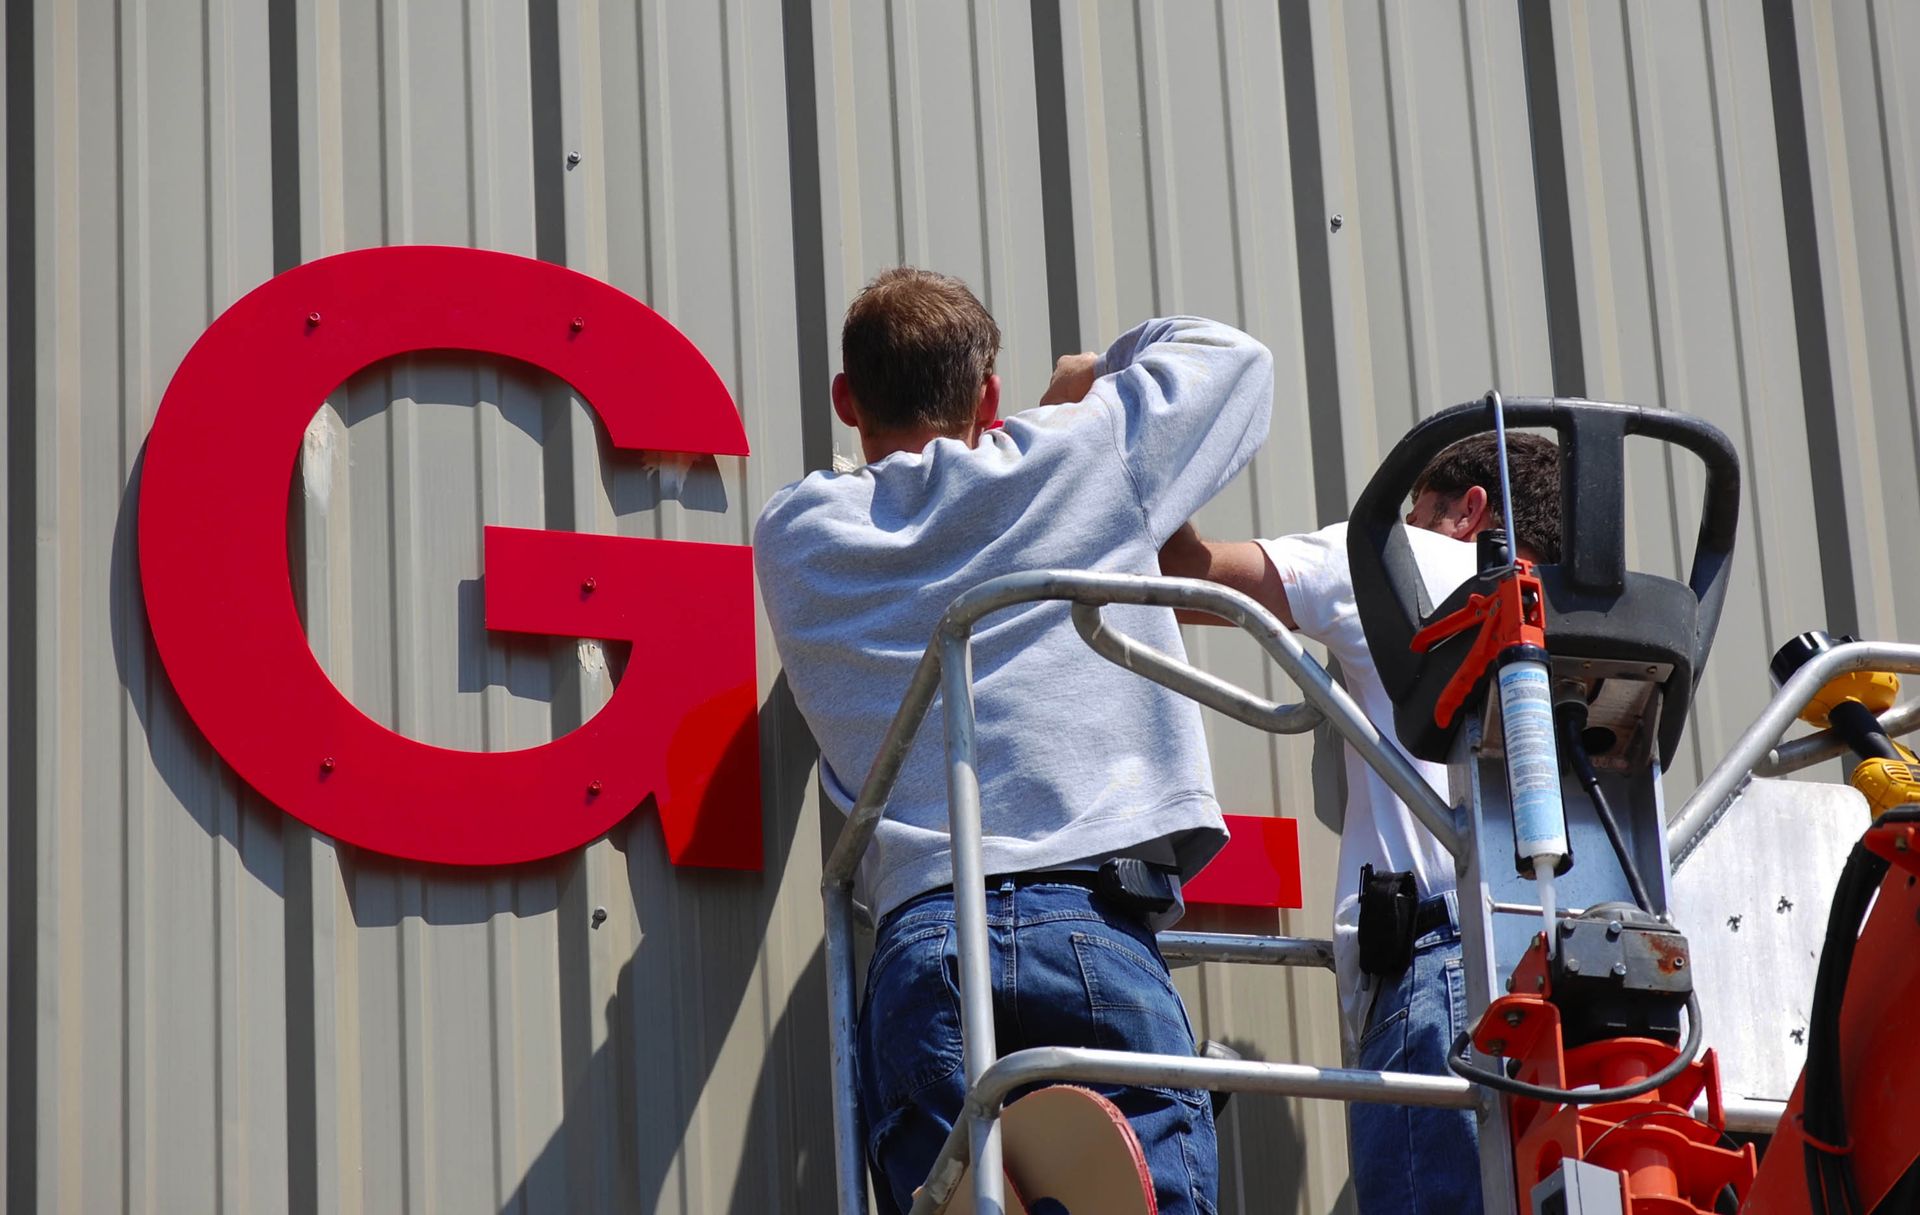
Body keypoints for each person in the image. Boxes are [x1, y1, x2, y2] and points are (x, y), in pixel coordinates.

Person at [755, 267, 1272, 1215]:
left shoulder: (795, 534)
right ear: (989, 395)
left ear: (845, 399)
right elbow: (1236, 361)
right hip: (1091, 920)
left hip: (920, 941)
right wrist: (1092, 378)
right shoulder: (1076, 451)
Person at [1159, 431, 1560, 1215]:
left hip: (1447, 981)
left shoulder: (1401, 562)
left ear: (1467, 511)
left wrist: (1131, 434)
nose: (1407, 524)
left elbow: (1187, 576)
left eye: (1420, 508)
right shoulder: (1596, 623)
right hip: (1581, 999)